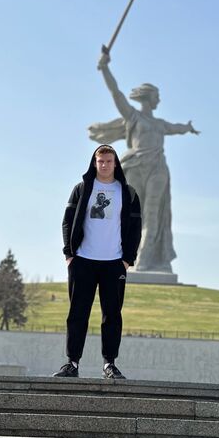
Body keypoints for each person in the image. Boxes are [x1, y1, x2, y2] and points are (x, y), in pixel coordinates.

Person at [89, 51, 199, 273]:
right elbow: (116, 93)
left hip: (157, 168)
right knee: (132, 214)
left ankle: (146, 259)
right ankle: (128, 255)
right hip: (136, 167)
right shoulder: (133, 116)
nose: (159, 100)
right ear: (148, 97)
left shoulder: (160, 124)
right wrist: (105, 68)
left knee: (153, 213)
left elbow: (176, 128)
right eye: (157, 96)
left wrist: (187, 127)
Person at [53, 144, 142, 379]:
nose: (104, 165)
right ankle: (72, 363)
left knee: (112, 315)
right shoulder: (82, 189)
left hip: (114, 263)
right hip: (82, 260)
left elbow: (136, 228)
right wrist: (69, 254)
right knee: (77, 313)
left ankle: (109, 364)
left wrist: (127, 259)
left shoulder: (128, 192)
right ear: (94, 163)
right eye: (100, 161)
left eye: (109, 161)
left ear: (115, 163)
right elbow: (67, 221)